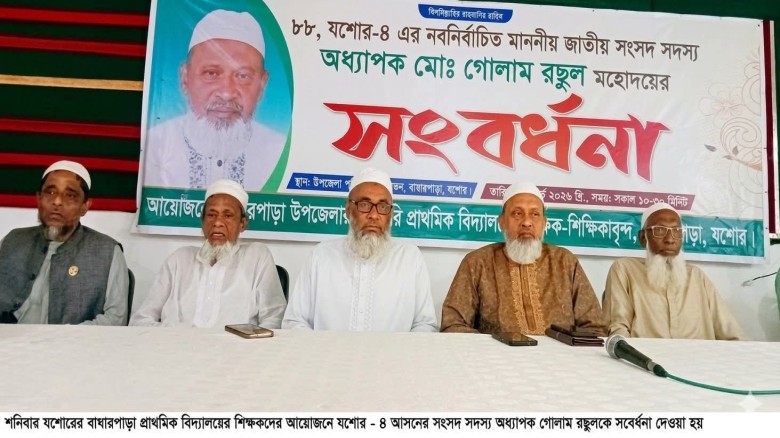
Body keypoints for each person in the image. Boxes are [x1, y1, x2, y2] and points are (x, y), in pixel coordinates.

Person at [143, 9, 285, 190]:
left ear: (262, 84)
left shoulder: (279, 153)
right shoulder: (154, 148)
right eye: (211, 73)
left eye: (242, 76)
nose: (226, 93)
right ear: (185, 78)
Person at [282, 168, 438, 332]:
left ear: (391, 214)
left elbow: (425, 324)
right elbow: (294, 322)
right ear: (348, 209)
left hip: (393, 350)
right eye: (364, 205)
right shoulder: (320, 256)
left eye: (383, 206)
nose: (374, 215)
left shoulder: (410, 258)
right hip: (328, 350)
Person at [440, 182, 606, 335]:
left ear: (544, 223)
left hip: (559, 356)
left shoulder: (565, 262)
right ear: (502, 222)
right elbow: (452, 324)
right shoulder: (478, 262)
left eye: (535, 214)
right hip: (497, 356)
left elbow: (595, 327)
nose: (527, 222)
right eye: (517, 213)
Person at [130, 179, 285, 327]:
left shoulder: (256, 257)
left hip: (235, 345)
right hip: (176, 344)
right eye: (211, 215)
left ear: (242, 224)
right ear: (202, 222)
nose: (217, 222)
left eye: (228, 215)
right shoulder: (179, 260)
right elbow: (141, 319)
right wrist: (172, 337)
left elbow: (274, 319)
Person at [0, 160, 129, 325]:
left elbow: (116, 319)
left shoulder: (107, 251)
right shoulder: (12, 241)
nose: (57, 202)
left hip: (72, 341)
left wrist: (65, 337)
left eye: (70, 195)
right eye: (50, 192)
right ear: (39, 199)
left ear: (85, 206)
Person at [603, 202, 745, 340]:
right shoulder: (624, 270)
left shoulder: (696, 276)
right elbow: (618, 330)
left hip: (699, 355)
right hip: (646, 355)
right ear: (643, 238)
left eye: (677, 231)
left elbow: (731, 332)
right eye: (660, 230)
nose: (670, 239)